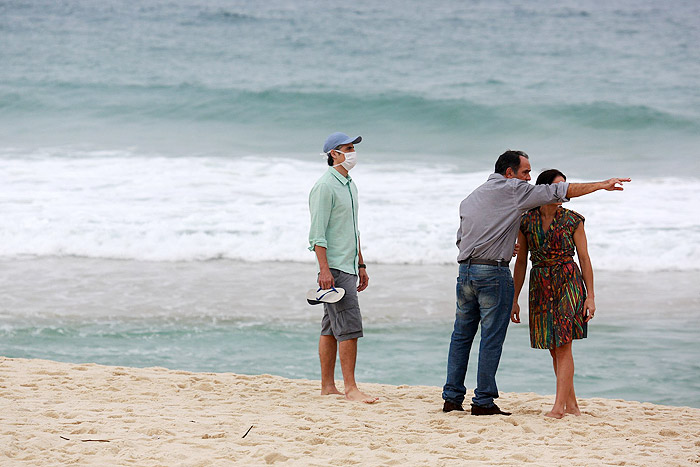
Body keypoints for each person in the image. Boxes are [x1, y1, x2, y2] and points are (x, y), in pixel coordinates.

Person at [442, 150, 629, 416]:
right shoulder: (515, 192)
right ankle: (483, 401)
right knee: (491, 339)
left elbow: (463, 239)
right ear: (510, 174)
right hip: (494, 275)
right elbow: (560, 192)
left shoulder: (471, 198)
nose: (529, 179)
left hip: (466, 272)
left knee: (461, 337)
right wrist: (601, 184)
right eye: (525, 172)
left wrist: (499, 245)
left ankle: (451, 398)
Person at [510, 169, 594, 418]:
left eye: (564, 187)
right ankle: (573, 406)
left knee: (563, 344)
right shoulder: (526, 221)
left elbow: (585, 259)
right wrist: (514, 298)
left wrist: (590, 296)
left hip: (568, 281)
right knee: (552, 347)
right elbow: (522, 262)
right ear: (543, 189)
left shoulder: (573, 220)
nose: (562, 192)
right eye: (557, 187)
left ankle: (559, 408)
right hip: (540, 284)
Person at [308, 132, 377, 404]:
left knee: (330, 327)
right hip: (334, 267)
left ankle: (327, 387)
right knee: (349, 327)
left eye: (353, 148)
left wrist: (360, 262)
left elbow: (353, 229)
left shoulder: (349, 184)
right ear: (334, 154)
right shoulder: (325, 186)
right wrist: (324, 270)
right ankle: (351, 388)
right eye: (348, 148)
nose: (353, 153)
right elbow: (317, 235)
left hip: (348, 264)